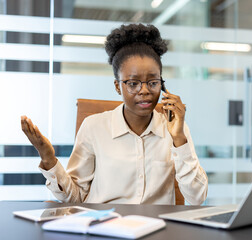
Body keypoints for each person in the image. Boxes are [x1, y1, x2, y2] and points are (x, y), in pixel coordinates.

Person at [21, 23, 208, 205]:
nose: (144, 91)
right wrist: (48, 158)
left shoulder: (176, 129)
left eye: (153, 82)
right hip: (104, 227)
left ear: (162, 85)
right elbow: (75, 198)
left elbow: (197, 198)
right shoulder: (93, 127)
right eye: (133, 83)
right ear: (118, 86)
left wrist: (179, 140)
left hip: (156, 230)